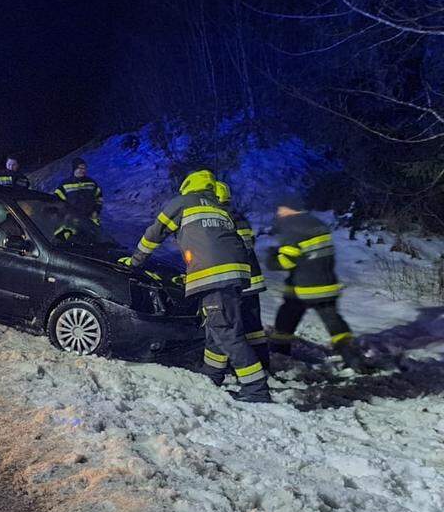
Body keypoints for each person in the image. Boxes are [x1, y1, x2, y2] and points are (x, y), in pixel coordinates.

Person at [124, 168, 271, 403]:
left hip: (213, 276)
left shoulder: (182, 203)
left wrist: (134, 262)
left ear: (188, 185)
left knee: (226, 331)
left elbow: (154, 234)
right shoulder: (221, 208)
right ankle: (212, 377)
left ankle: (256, 389)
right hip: (236, 275)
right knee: (216, 328)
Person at [266, 193, 364, 368]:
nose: (279, 213)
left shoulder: (292, 226)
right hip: (327, 285)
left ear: (290, 208)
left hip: (302, 289)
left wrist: (272, 257)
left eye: (281, 208)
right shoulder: (317, 224)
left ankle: (278, 355)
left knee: (285, 321)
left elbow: (287, 261)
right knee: (334, 323)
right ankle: (353, 357)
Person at [202, 181, 269, 373]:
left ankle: (228, 370)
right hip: (251, 281)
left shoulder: (221, 219)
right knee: (253, 329)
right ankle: (263, 365)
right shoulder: (238, 217)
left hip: (235, 283)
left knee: (227, 327)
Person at [54, 157, 103, 225]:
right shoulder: (65, 184)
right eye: (81, 168)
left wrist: (96, 211)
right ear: (75, 168)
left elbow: (99, 197)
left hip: (91, 219)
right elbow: (57, 200)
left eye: (85, 168)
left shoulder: (91, 183)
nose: (83, 170)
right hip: (74, 221)